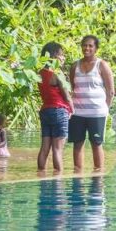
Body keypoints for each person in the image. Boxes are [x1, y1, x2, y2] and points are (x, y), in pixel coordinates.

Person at [69, 35, 114, 171]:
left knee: (96, 143)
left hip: (97, 113)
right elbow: (73, 87)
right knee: (77, 144)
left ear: (96, 48)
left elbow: (111, 91)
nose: (87, 48)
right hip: (77, 113)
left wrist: (105, 108)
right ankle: (77, 175)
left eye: (90, 46)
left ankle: (98, 175)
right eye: (84, 45)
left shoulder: (102, 65)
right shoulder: (74, 66)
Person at [38, 42, 74, 172]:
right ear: (53, 57)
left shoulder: (40, 73)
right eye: (61, 55)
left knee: (44, 148)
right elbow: (67, 97)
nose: (63, 58)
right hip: (59, 111)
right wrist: (72, 109)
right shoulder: (58, 74)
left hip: (45, 111)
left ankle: (41, 174)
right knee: (57, 149)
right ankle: (58, 180)